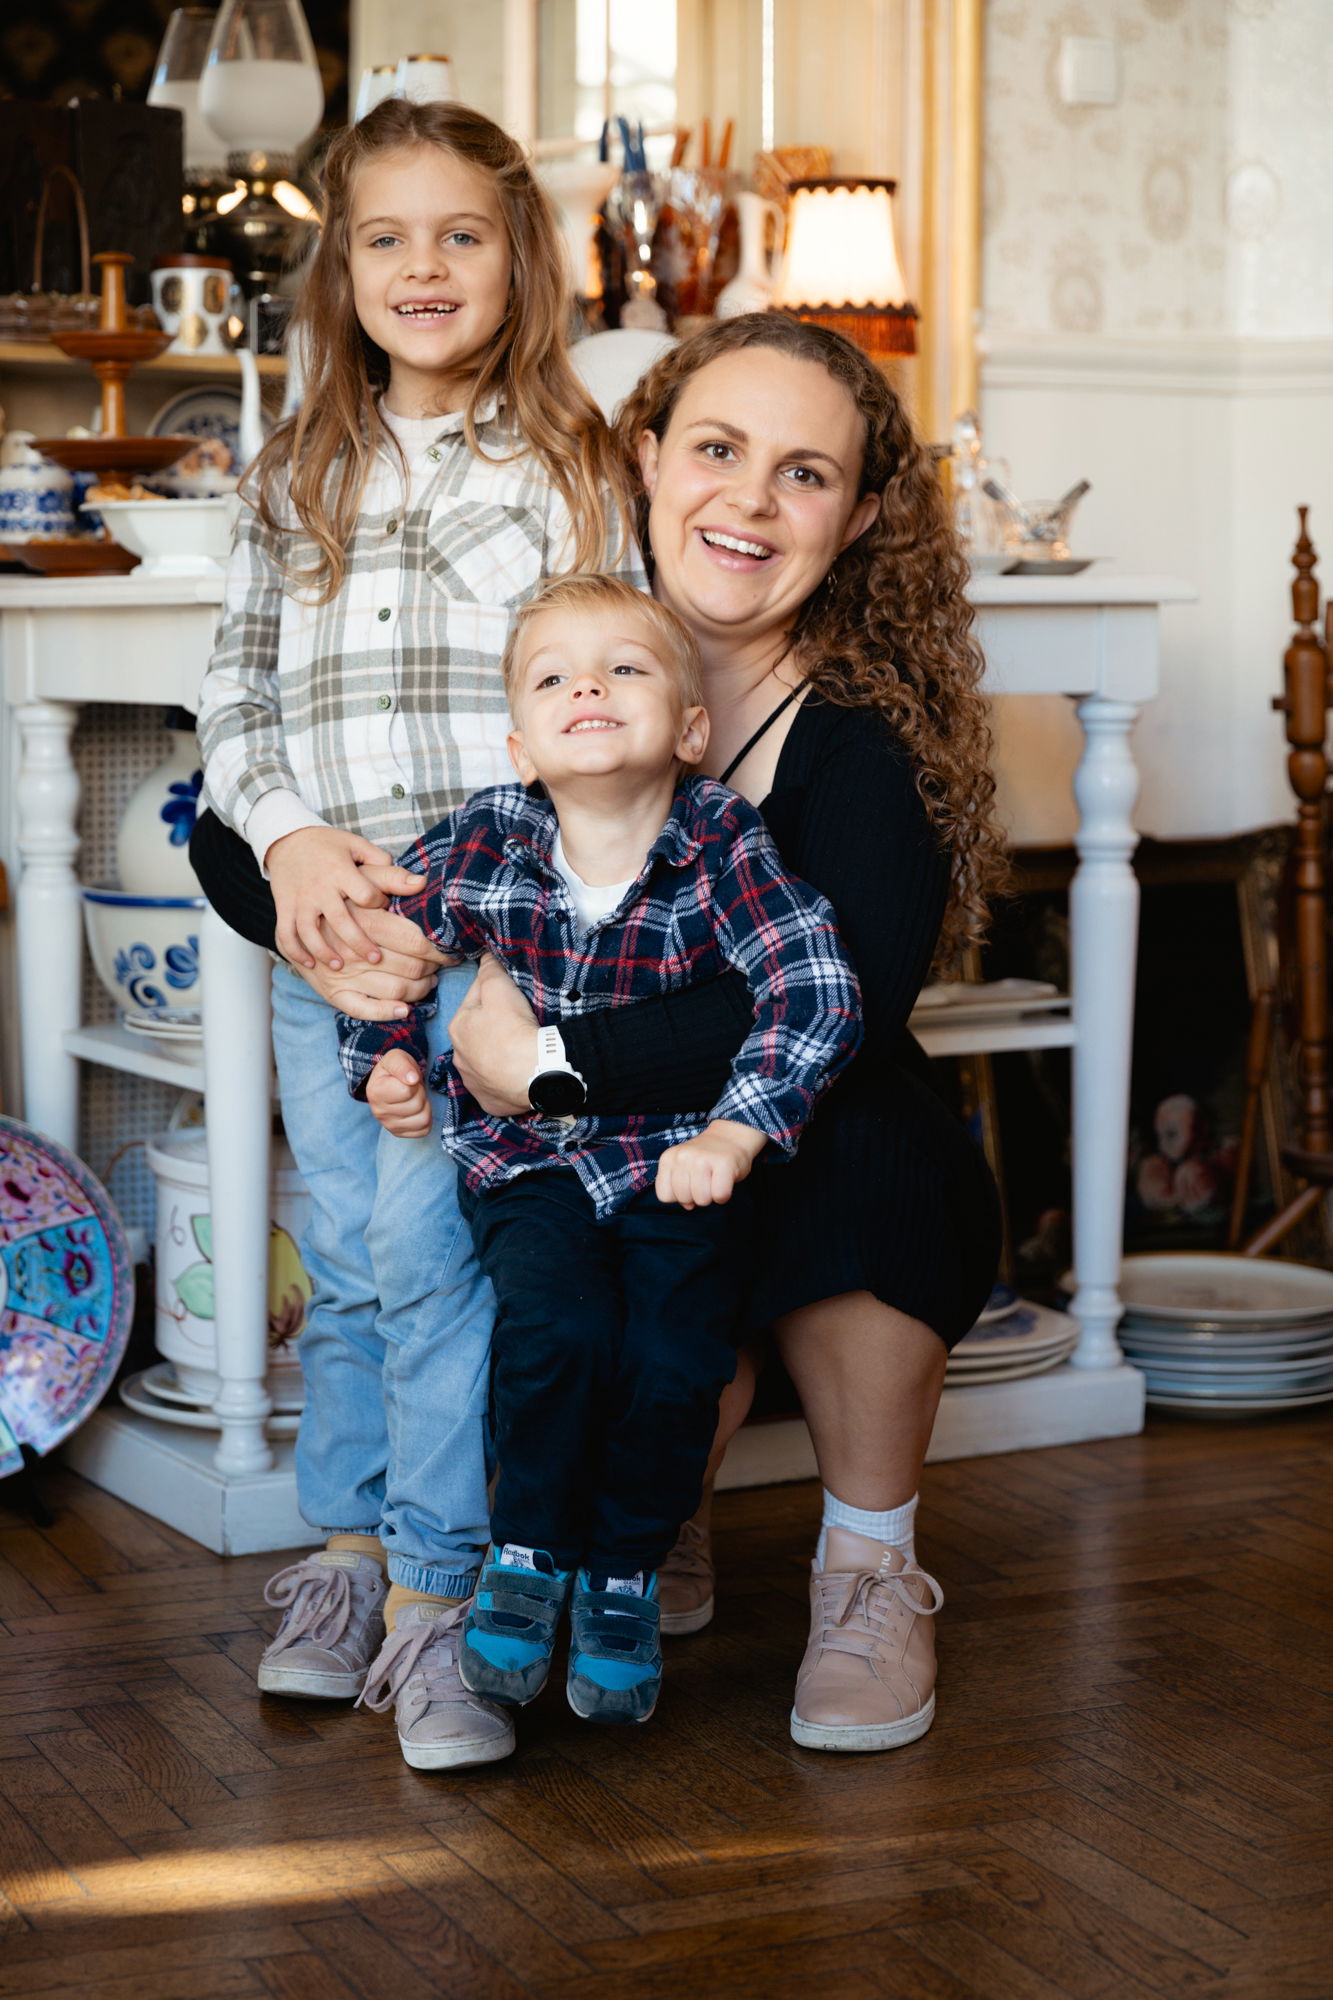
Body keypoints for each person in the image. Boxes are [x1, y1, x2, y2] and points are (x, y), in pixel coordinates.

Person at [193, 313, 1007, 1755]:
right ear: (644, 459)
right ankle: (618, 1524)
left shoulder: (856, 735)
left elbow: (843, 998)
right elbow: (271, 816)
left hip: (766, 1120)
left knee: (867, 1160)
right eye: (717, 449)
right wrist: (327, 912)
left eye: (805, 473)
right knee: (512, 1271)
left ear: (863, 516)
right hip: (564, 1141)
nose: (750, 499)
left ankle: (868, 1568)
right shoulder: (554, 649)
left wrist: (548, 1063)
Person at [192, 96, 637, 1773]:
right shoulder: (290, 469)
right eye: (385, 236)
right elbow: (234, 694)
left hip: (477, 960)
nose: (423, 265)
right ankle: (348, 1548)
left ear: (518, 263)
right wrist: (292, 846)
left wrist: (468, 924)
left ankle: (439, 1592)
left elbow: (598, 717)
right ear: (342, 269)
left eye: (461, 234)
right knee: (353, 1261)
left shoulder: (572, 470)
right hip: (323, 943)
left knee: (444, 1266)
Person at [340, 572, 860, 1732]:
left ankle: (624, 1568)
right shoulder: (488, 836)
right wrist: (384, 1060)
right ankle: (527, 1553)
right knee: (558, 1332)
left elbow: (814, 982)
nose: (589, 686)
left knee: (675, 1356)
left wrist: (736, 1128)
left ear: (689, 728)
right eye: (554, 676)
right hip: (528, 1162)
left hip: (679, 1157)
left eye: (623, 668)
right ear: (521, 745)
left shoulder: (720, 839)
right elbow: (386, 949)